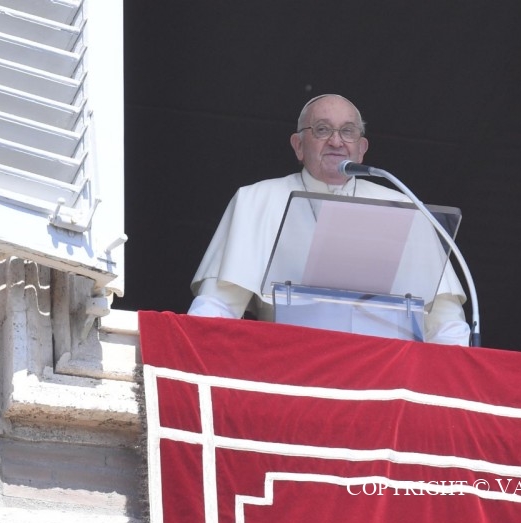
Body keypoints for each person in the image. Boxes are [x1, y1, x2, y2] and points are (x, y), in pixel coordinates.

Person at [188, 94, 470, 345]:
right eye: (322, 130)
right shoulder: (256, 200)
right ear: (298, 145)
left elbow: (446, 324)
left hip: (388, 373)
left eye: (348, 132)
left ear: (362, 148)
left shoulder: (405, 206)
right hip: (292, 364)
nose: (336, 141)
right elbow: (217, 307)